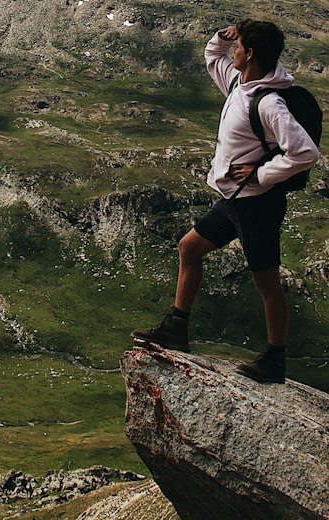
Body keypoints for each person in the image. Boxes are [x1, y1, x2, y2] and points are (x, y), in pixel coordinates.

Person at [133, 19, 319, 383]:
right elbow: (211, 54)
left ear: (249, 54)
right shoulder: (239, 83)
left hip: (257, 205)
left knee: (266, 282)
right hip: (233, 200)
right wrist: (226, 34)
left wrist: (260, 174)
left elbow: (304, 152)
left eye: (239, 46)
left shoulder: (269, 104)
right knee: (189, 247)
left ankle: (275, 359)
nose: (232, 51)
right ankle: (177, 327)